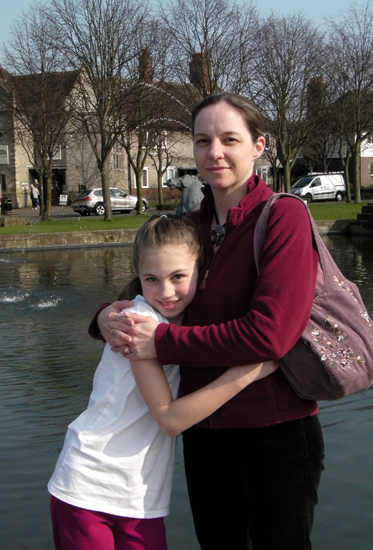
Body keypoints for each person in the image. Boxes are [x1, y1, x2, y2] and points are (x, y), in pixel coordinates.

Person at [92, 93, 325, 550]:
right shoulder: (190, 226)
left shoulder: (283, 217)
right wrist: (103, 317)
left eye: (229, 139)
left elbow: (270, 334)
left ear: (259, 146)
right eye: (202, 140)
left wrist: (162, 343)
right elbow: (144, 294)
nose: (214, 151)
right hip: (206, 436)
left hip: (273, 432)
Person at [48, 214, 277, 550]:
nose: (166, 292)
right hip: (88, 485)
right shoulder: (138, 324)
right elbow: (169, 420)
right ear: (138, 277)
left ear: (202, 271)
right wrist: (249, 371)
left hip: (141, 497)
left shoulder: (191, 323)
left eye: (178, 276)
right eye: (151, 279)